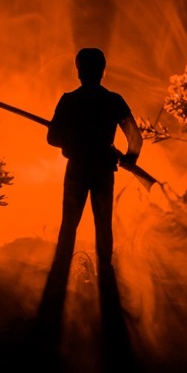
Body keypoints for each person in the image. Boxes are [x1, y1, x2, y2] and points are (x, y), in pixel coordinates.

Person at [46, 47, 142, 271]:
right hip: (103, 169)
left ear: (79, 72)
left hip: (77, 169)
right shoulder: (113, 101)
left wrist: (72, 140)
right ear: (102, 72)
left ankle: (61, 270)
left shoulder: (69, 101)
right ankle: (105, 269)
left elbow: (52, 137)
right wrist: (130, 158)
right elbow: (135, 138)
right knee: (103, 223)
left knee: (69, 223)